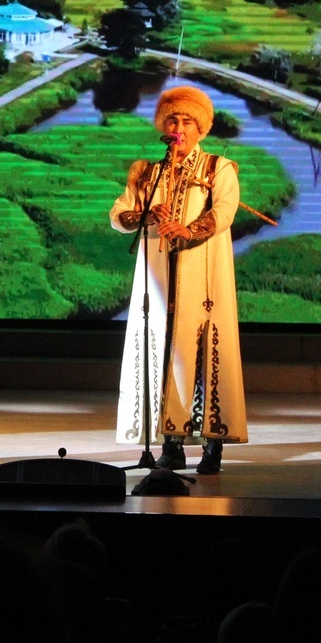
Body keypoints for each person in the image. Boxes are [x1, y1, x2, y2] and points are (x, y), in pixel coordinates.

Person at [109, 85, 247, 473]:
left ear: (201, 128)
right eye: (173, 120)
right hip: (158, 280)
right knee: (164, 352)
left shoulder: (217, 168)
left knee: (202, 356)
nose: (179, 127)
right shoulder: (148, 174)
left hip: (203, 279)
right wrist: (147, 216)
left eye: (187, 121)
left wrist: (189, 230)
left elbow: (224, 210)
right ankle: (170, 444)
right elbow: (120, 214)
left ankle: (212, 444)